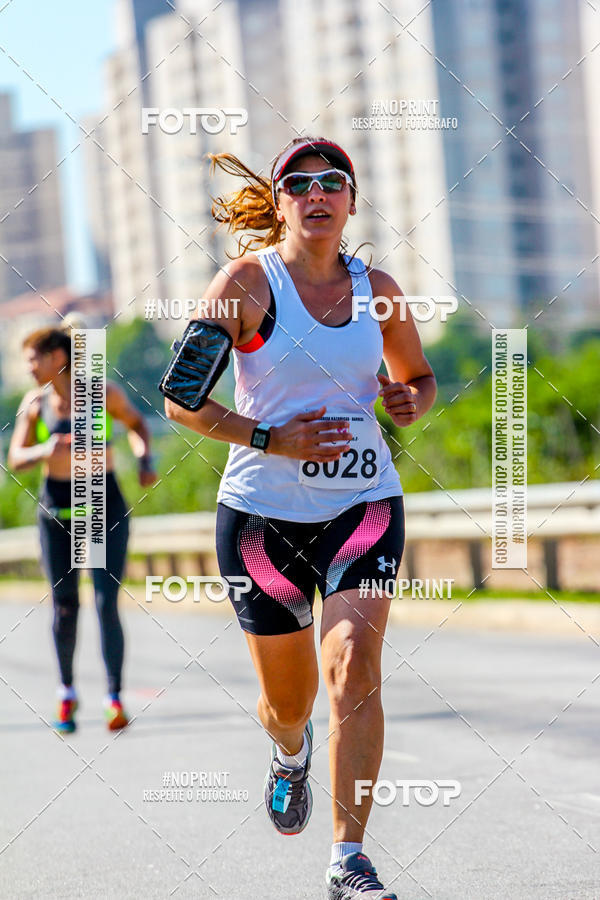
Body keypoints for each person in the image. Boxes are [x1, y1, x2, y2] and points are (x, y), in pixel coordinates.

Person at [164, 136, 436, 898]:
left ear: (351, 201)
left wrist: (410, 400)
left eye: (334, 183)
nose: (318, 194)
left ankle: (348, 860)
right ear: (280, 202)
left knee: (355, 670)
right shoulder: (247, 283)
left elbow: (417, 377)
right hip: (261, 521)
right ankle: (290, 753)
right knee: (290, 705)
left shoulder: (377, 287)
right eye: (301, 184)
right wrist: (270, 438)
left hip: (362, 503)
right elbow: (180, 398)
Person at [8, 320, 157, 734]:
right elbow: (15, 457)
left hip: (103, 509)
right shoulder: (35, 404)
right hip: (57, 514)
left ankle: (114, 698)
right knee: (65, 607)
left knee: (107, 604)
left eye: (33, 359)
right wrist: (44, 448)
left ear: (57, 358)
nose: (29, 368)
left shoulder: (101, 394)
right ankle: (67, 693)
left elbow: (139, 426)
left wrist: (145, 460)